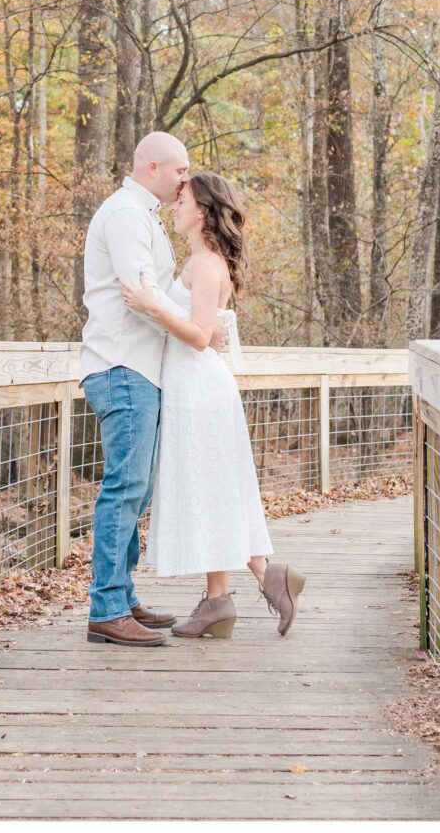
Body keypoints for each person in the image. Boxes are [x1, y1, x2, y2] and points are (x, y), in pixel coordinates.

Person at [123, 172, 308, 638]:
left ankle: (240, 591)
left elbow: (201, 337)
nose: (174, 205)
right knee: (213, 488)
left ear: (202, 210)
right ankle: (235, 593)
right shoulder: (200, 260)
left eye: (181, 199)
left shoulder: (206, 265)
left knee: (213, 487)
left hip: (200, 389)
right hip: (189, 388)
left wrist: (152, 306)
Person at [80, 132, 202, 647]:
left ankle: (122, 598)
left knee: (137, 489)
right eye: (180, 171)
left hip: (139, 369)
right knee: (124, 488)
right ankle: (106, 607)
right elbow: (141, 295)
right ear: (153, 166)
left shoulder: (140, 213)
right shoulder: (127, 215)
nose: (185, 180)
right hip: (122, 366)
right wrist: (199, 327)